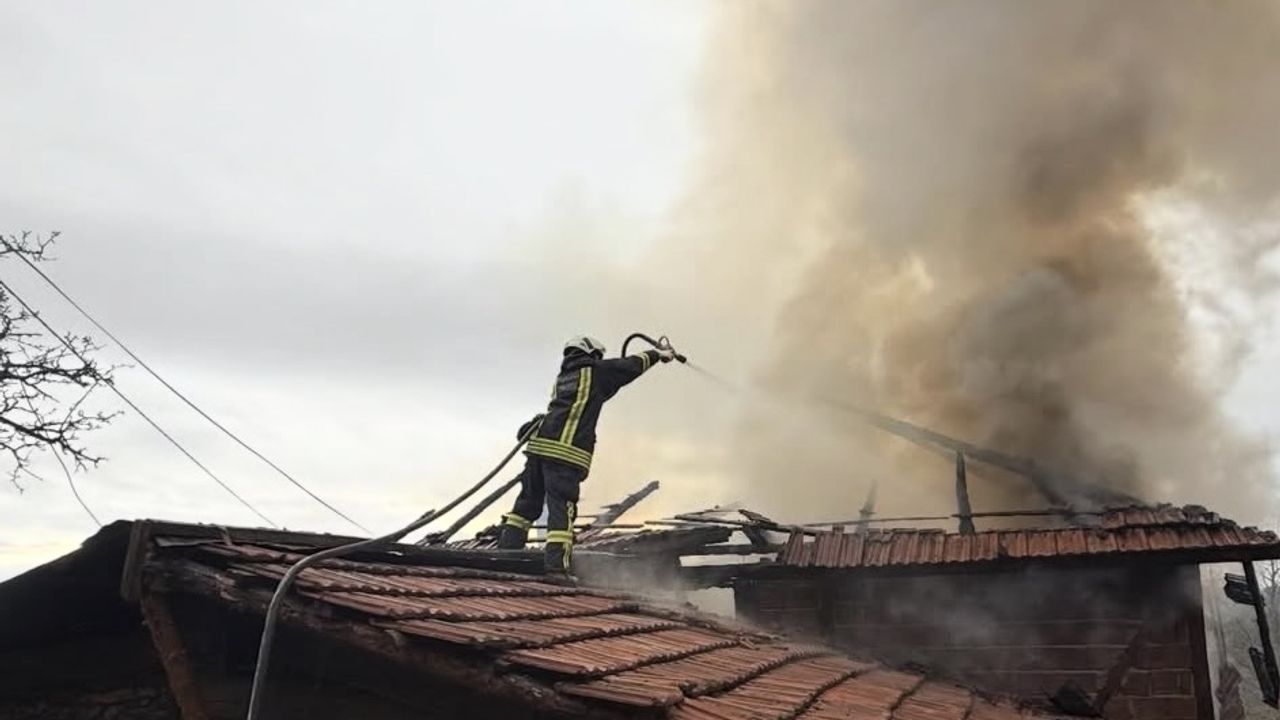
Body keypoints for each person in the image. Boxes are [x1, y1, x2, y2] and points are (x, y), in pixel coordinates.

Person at [497, 335, 675, 575]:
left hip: (538, 450)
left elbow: (597, 395)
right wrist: (658, 354)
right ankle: (556, 568)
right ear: (592, 354)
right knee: (562, 510)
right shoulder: (595, 371)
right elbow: (630, 366)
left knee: (525, 506)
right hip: (564, 455)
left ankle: (506, 556)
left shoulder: (564, 378)